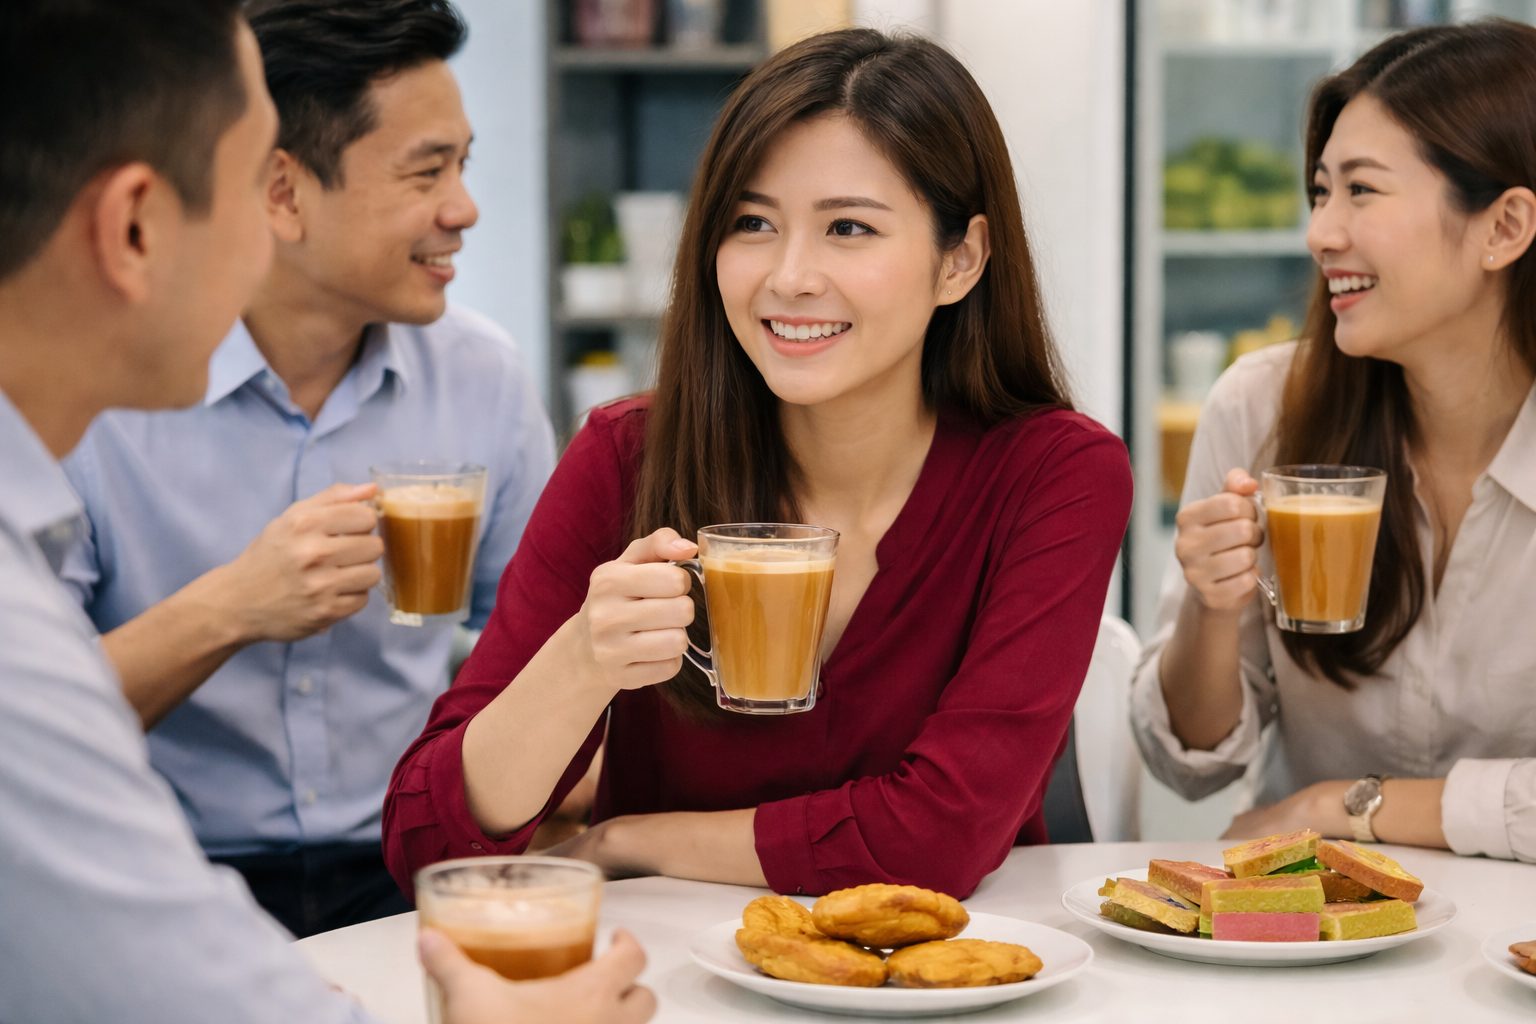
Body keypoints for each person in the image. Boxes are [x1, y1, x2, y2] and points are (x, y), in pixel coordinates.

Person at [0, 2, 652, 1022]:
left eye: (464, 166)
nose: (466, 210)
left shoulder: (478, 376)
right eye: (426, 172)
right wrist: (232, 607)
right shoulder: (86, 429)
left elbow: (537, 658)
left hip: (399, 869)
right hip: (182, 860)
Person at [383, 27, 1132, 899]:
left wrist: (628, 840)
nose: (789, 276)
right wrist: (582, 661)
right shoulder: (627, 456)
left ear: (959, 260)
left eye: (848, 227)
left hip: (942, 962)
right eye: (752, 224)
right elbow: (427, 846)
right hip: (665, 965)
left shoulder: (1056, 476)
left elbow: (939, 837)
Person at [1132, 19, 1536, 863]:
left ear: (1503, 228)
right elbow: (1193, 765)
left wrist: (1348, 806)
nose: (1320, 232)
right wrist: (1211, 610)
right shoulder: (1263, 408)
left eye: (1361, 191)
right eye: (1320, 192)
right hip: (1311, 920)